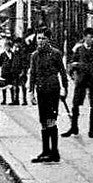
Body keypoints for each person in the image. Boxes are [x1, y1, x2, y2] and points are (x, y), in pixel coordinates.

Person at [28, 28, 67, 163]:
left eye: (43, 38)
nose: (40, 41)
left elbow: (62, 72)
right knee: (43, 121)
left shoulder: (55, 54)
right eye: (38, 38)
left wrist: (65, 88)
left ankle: (54, 152)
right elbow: (32, 73)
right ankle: (45, 150)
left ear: (48, 39)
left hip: (52, 89)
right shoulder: (34, 55)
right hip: (41, 89)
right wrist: (31, 91)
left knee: (51, 120)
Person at [63, 27, 93, 139]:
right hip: (81, 79)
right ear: (84, 38)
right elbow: (72, 63)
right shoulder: (79, 50)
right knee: (75, 104)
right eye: (89, 37)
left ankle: (91, 130)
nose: (91, 39)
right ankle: (74, 127)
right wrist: (73, 72)